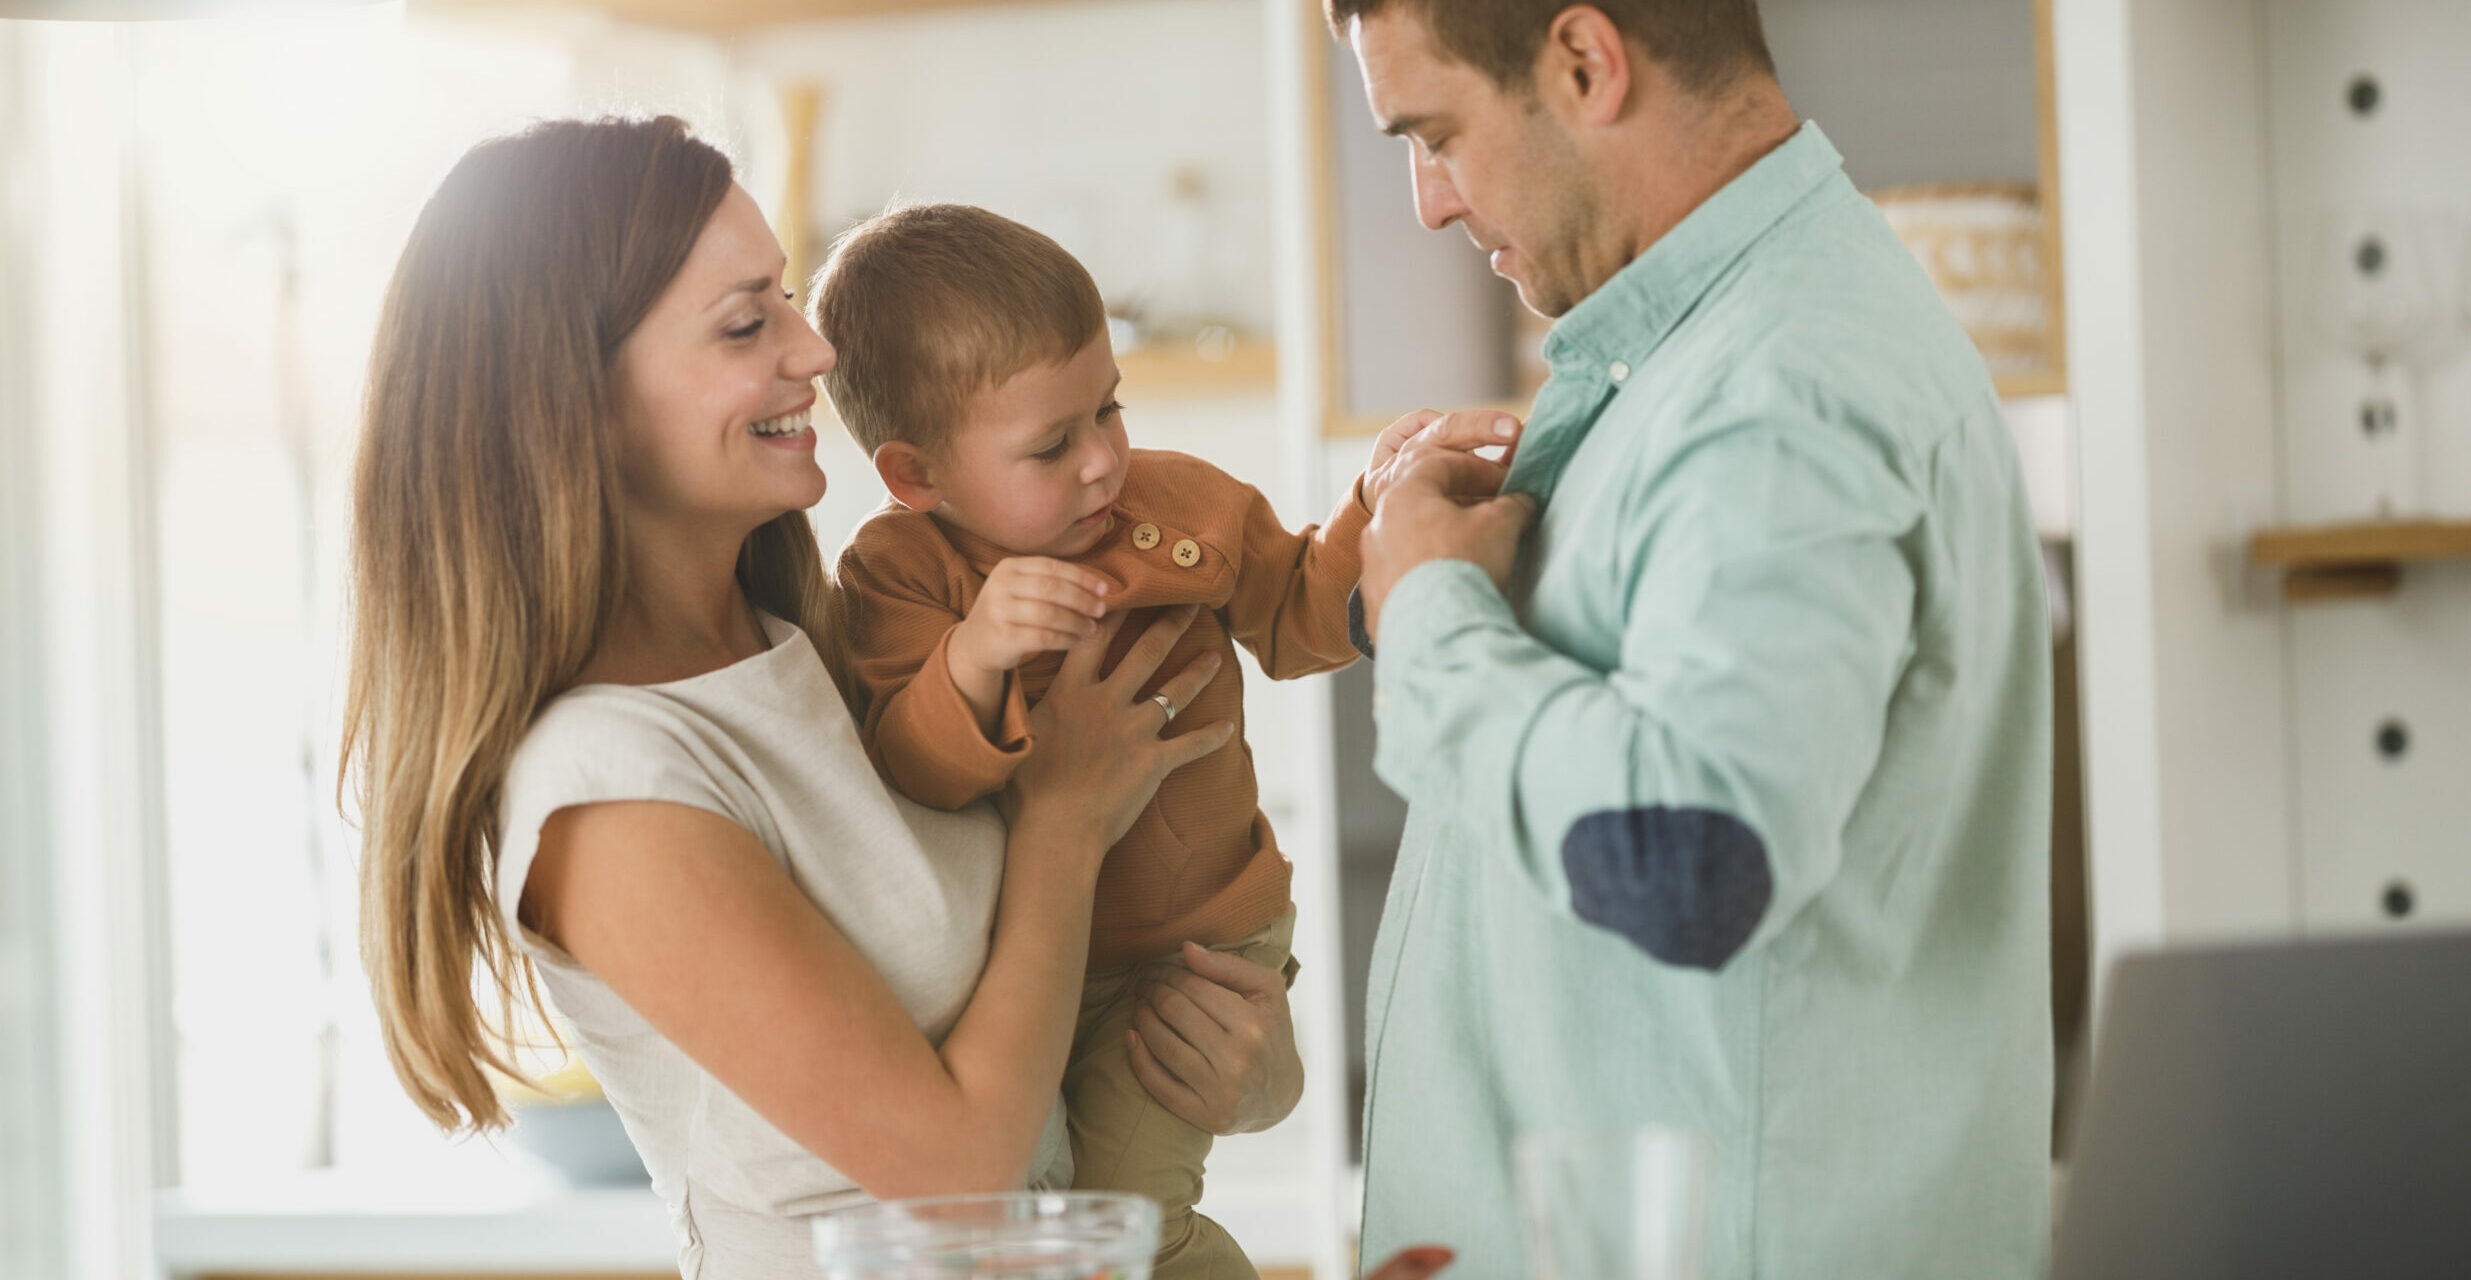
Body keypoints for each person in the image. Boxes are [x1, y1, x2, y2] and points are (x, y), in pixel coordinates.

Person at [340, 116, 1307, 1280]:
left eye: (788, 300)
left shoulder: (833, 653)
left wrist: (1252, 1073)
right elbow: (959, 1185)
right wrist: (1064, 818)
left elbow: (1037, 1027)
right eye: (749, 322)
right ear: (577, 400)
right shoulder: (605, 786)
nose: (814, 351)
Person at [1333, 1, 2056, 1277]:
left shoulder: (1775, 390)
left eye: (1435, 133)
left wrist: (1431, 612)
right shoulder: (1688, 358)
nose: (1430, 204)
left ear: (1583, 62)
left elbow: (1690, 853)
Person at [808, 203, 1425, 1280]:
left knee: (1124, 1227)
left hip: (1192, 951)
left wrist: (1372, 516)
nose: (1103, 461)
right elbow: (909, 763)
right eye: (1052, 444)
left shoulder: (1178, 502)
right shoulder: (897, 577)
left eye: (1110, 408)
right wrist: (975, 655)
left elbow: (1302, 617)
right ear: (916, 476)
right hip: (1030, 973)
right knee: (1061, 1225)